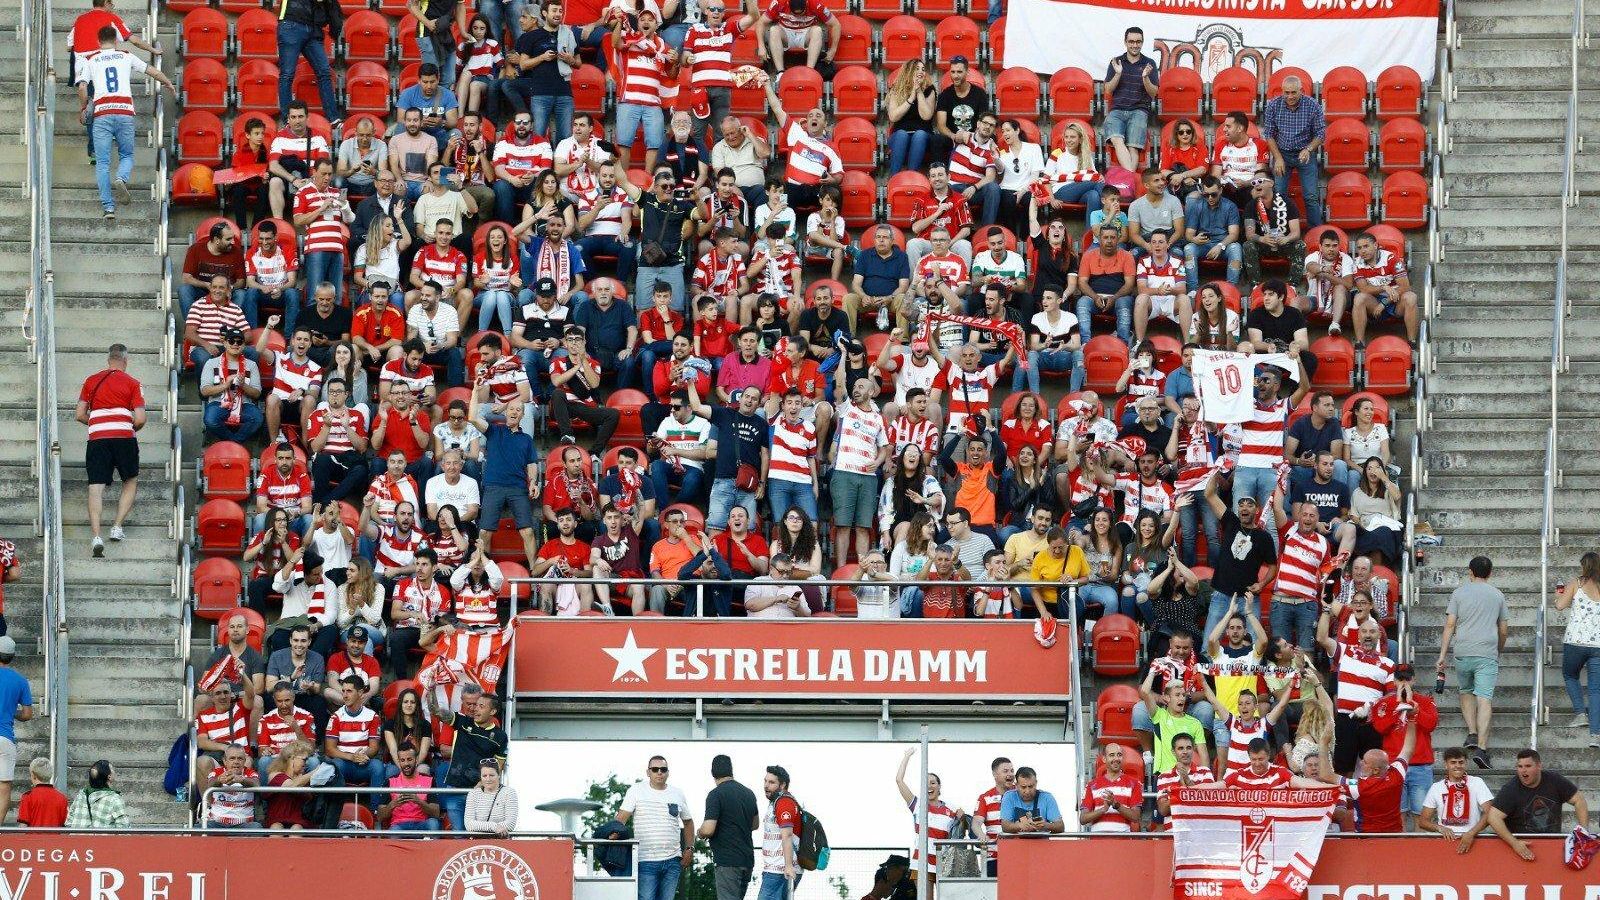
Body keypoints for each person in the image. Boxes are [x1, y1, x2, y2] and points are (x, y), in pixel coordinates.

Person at [75, 24, 175, 219]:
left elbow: (82, 88)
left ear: (98, 41)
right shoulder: (126, 55)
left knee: (102, 163)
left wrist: (84, 107)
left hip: (102, 114)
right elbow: (151, 71)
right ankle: (121, 178)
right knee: (127, 155)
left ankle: (108, 208)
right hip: (124, 112)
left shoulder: (91, 59)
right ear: (116, 40)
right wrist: (168, 82)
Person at [1436, 555, 1509, 769]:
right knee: (1484, 698)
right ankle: (1482, 749)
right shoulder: (1498, 595)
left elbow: (1450, 625)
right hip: (1487, 651)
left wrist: (1442, 655)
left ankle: (1472, 733)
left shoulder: (1459, 593)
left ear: (1470, 571)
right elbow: (1504, 629)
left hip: (1463, 649)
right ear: (1490, 573)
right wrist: (1499, 648)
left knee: (1465, 690)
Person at [75, 344, 146, 557]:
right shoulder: (133, 383)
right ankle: (116, 527)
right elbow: (140, 418)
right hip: (124, 437)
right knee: (130, 481)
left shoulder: (90, 380)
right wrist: (127, 426)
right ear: (125, 360)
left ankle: (96, 535)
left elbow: (79, 414)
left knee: (95, 487)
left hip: (97, 438)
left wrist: (98, 423)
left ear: (108, 360)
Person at [1470, 750, 1591, 859]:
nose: (1523, 770)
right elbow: (1493, 817)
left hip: (1552, 844)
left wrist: (1583, 832)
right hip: (1524, 847)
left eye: (1528, 766)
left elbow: (1579, 800)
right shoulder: (1511, 789)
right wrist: (1514, 843)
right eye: (1520, 766)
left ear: (1539, 766)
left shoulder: (1554, 780)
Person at [424, 688, 510, 831]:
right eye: (476, 705)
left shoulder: (501, 736)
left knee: (478, 833)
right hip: (455, 789)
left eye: (481, 706)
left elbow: (498, 766)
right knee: (458, 833)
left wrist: (481, 784)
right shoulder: (463, 722)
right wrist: (431, 689)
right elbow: (435, 710)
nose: (476, 709)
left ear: (493, 712)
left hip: (481, 793)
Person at [1370, 665, 1439, 830]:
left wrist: (1413, 708)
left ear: (1413, 680)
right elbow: (1380, 728)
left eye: (1407, 679)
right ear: (1394, 681)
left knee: (1422, 817)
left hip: (1420, 766)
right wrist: (1398, 706)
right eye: (1400, 679)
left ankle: (1419, 855)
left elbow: (1431, 725)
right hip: (1394, 766)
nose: (1404, 683)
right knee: (1397, 814)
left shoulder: (1425, 701)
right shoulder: (1384, 703)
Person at [619, 755, 697, 900]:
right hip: (645, 860)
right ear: (648, 772)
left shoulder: (677, 793)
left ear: (668, 772)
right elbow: (620, 820)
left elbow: (688, 822)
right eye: (655, 769)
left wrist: (689, 848)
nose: (659, 772)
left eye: (663, 769)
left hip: (673, 860)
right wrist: (612, 837)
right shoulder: (636, 790)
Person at [896, 748, 965, 892]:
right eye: (925, 782)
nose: (929, 786)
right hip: (921, 863)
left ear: (939, 787)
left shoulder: (951, 809)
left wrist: (962, 819)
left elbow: (959, 835)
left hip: (944, 862)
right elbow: (899, 780)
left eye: (933, 783)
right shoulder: (918, 805)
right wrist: (907, 756)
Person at [1261, 76, 1326, 229]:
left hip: (1305, 154)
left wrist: (1308, 148)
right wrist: (1277, 158)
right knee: (1279, 194)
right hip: (1282, 153)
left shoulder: (1312, 105)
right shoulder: (1273, 106)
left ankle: (1316, 232)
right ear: (1282, 91)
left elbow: (1321, 134)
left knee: (1310, 196)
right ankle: (1280, 229)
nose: (1290, 96)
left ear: (1301, 91)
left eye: (1293, 92)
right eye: (1286, 92)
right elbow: (1269, 134)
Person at [699, 754, 760, 900]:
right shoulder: (748, 793)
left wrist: (700, 832)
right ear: (731, 770)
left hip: (727, 862)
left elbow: (708, 829)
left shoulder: (715, 794)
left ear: (712, 773)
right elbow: (755, 824)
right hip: (747, 860)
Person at [1557, 552, 1600, 746]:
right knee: (1596, 690)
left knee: (1570, 675)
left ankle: (1581, 714)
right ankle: (1595, 735)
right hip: (1598, 645)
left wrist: (1558, 594)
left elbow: (1560, 606)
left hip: (1575, 641)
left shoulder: (1577, 583)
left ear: (1584, 566)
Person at [1102, 27, 1159, 172]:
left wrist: (1145, 77)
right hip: (1117, 109)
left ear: (1142, 42)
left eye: (1138, 42)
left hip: (1139, 110)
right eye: (1131, 41)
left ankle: (1128, 180)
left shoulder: (1149, 63)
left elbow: (1153, 93)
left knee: (1133, 147)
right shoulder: (1116, 62)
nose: (1135, 45)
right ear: (1125, 42)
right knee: (1117, 140)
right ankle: (1131, 179)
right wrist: (1118, 74)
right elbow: (1108, 89)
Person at [1419, 746, 1494, 844]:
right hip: (1445, 841)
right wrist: (1440, 828)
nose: (1457, 766)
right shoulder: (1436, 787)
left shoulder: (1477, 782)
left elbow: (1490, 812)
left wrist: (1471, 833)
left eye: (1461, 762)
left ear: (1466, 763)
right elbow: (1423, 821)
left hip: (1472, 840)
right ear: (1446, 765)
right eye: (1453, 762)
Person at [1076, 224, 1136, 346]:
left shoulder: (1127, 256)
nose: (1109, 241)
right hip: (1094, 298)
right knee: (1082, 303)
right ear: (1099, 238)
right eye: (1106, 237)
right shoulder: (1088, 256)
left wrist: (1114, 298)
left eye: (1113, 237)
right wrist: (1095, 297)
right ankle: (1085, 344)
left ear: (1118, 238)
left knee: (1124, 303)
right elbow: (1082, 283)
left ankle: (1123, 345)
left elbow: (1130, 285)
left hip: (1119, 298)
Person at [0, 635, 33, 822]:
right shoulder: (20, 681)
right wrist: (13, 713)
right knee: (4, 786)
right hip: (5, 737)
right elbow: (27, 714)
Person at [1079, 744, 1141, 832]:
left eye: (1119, 755)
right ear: (1104, 759)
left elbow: (1136, 817)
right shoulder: (1091, 785)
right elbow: (1083, 819)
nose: (1116, 758)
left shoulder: (1134, 783)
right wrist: (1103, 809)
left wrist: (1116, 804)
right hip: (1097, 842)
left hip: (1123, 842)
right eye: (1112, 755)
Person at [1000, 765, 1065, 834]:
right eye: (1023, 787)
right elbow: (1005, 826)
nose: (1027, 791)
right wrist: (1019, 826)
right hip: (1016, 843)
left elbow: (1060, 826)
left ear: (1036, 783)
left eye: (1031, 786)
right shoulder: (1009, 797)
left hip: (1042, 843)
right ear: (1016, 785)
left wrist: (1046, 825)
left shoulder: (1047, 797)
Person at [64, 760, 129, 829]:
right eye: (112, 769)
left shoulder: (81, 795)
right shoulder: (115, 799)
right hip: (102, 839)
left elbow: (69, 822)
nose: (114, 771)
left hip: (77, 839)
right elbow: (123, 828)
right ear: (109, 776)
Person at [464, 759, 519, 835]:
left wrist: (480, 827)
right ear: (480, 777)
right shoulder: (473, 794)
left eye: (492, 775)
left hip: (501, 842)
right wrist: (494, 827)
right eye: (484, 776)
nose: (488, 779)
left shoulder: (509, 792)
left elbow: (510, 824)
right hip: (478, 843)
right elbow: (469, 825)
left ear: (499, 775)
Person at [16, 756, 69, 828]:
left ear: (33, 775)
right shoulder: (62, 798)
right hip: (55, 838)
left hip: (33, 838)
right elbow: (63, 824)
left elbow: (23, 825)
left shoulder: (28, 796)